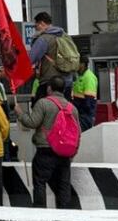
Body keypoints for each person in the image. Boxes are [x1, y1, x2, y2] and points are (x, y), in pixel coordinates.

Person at [15, 76, 80, 208]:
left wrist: (20, 114)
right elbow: (78, 133)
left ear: (49, 88)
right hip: (65, 152)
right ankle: (65, 214)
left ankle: (41, 212)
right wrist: (73, 152)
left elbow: (32, 123)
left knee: (40, 182)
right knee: (63, 185)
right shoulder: (72, 108)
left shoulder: (43, 103)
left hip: (46, 150)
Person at [28, 12, 79, 100]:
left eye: (36, 26)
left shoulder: (43, 39)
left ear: (42, 24)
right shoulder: (65, 36)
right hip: (67, 82)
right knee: (65, 109)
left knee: (41, 108)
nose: (35, 29)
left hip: (50, 83)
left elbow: (30, 60)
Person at [72, 56, 99, 131]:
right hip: (80, 113)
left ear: (82, 64)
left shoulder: (89, 77)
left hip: (85, 115)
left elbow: (89, 101)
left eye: (76, 63)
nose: (74, 65)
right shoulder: (80, 77)